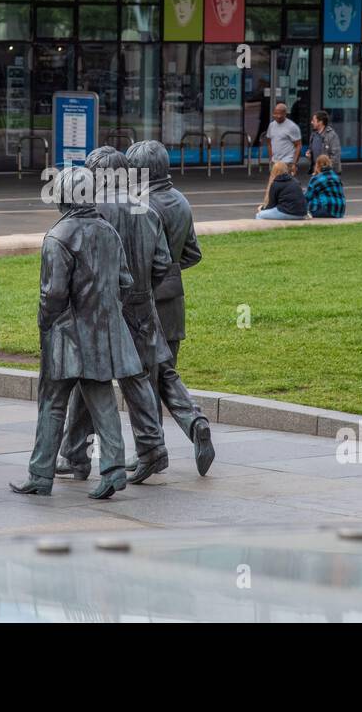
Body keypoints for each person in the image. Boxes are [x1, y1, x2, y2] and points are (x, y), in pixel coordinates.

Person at [11, 166, 140, 501]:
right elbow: (125, 283)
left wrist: (45, 324)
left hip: (66, 337)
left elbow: (52, 296)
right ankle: (112, 470)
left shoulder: (58, 237)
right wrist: (105, 313)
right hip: (101, 335)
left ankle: (40, 474)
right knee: (103, 401)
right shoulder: (108, 231)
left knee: (52, 403)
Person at [56, 147, 173, 484]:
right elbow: (163, 263)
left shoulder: (92, 212)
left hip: (103, 308)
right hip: (141, 304)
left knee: (90, 377)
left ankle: (81, 452)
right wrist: (142, 291)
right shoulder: (145, 207)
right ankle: (142, 448)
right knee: (134, 378)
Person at [124, 140, 215, 475]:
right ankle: (193, 424)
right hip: (173, 301)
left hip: (145, 302)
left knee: (143, 381)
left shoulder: (139, 205)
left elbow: (136, 259)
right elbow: (192, 254)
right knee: (165, 374)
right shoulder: (181, 200)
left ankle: (152, 451)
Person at [262, 101, 303, 208]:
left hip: (287, 162)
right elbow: (269, 142)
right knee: (272, 186)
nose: (278, 116)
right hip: (276, 162)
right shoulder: (271, 125)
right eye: (275, 113)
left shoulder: (292, 127)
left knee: (285, 187)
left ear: (285, 113)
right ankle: (269, 206)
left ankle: (280, 207)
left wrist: (294, 163)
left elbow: (298, 145)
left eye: (280, 113)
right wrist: (271, 158)